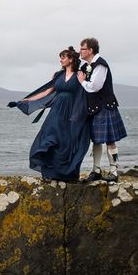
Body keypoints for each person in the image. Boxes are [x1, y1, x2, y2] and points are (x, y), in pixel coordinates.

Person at [8, 47, 91, 182]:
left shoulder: (80, 75)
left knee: (68, 142)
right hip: (57, 111)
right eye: (61, 57)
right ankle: (50, 172)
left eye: (63, 57)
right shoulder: (58, 76)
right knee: (50, 137)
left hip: (72, 112)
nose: (61, 60)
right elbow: (46, 92)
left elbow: (87, 92)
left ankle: (67, 174)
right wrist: (27, 100)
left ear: (71, 59)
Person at [76, 37, 127, 182]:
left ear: (90, 50)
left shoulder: (100, 65)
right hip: (94, 108)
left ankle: (114, 171)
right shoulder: (86, 66)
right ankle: (96, 170)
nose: (81, 51)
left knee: (110, 140)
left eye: (83, 49)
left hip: (105, 106)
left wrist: (82, 81)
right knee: (96, 140)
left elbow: (94, 86)